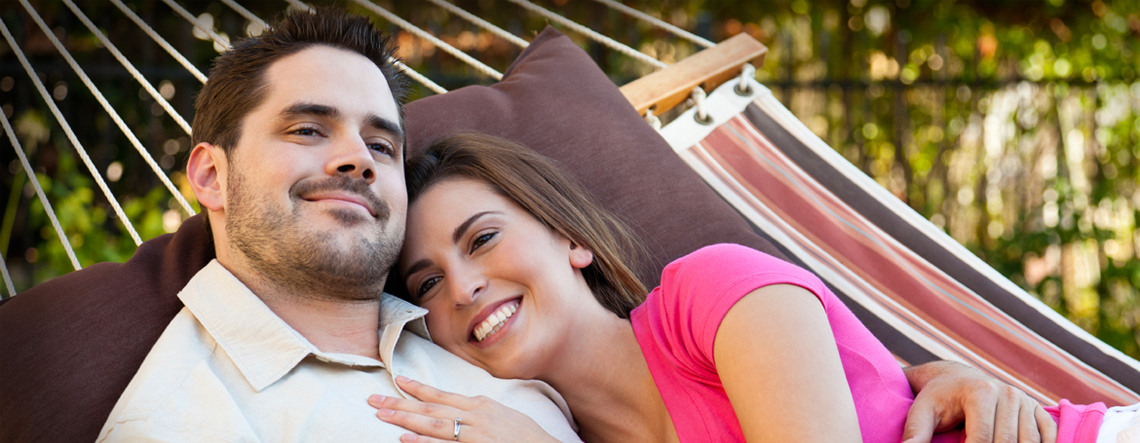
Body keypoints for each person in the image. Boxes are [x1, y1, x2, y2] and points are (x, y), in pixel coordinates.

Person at [372, 132, 1138, 443]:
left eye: (483, 238)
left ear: (571, 239)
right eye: (427, 282)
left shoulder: (710, 293)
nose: (463, 287)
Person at [96, 10, 581, 442]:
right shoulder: (179, 425)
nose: (359, 160)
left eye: (382, 145)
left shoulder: (480, 330)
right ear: (212, 176)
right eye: (308, 129)